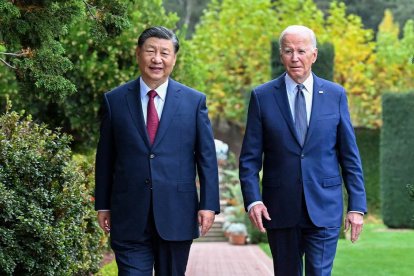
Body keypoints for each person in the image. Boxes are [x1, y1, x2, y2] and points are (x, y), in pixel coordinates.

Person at [239, 25, 367, 276]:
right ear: (281, 55)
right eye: (288, 51)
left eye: (301, 50)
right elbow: (249, 160)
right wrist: (253, 199)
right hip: (280, 209)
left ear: (314, 55)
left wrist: (356, 206)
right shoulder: (262, 96)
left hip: (324, 207)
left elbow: (349, 156)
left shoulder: (335, 95)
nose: (294, 57)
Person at [95, 26, 220, 276]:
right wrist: (102, 204)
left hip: (177, 212)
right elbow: (106, 158)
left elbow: (206, 158)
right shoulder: (115, 100)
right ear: (138, 53)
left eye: (165, 52)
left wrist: (208, 204)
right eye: (150, 51)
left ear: (174, 58)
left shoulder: (194, 102)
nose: (157, 59)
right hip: (129, 213)